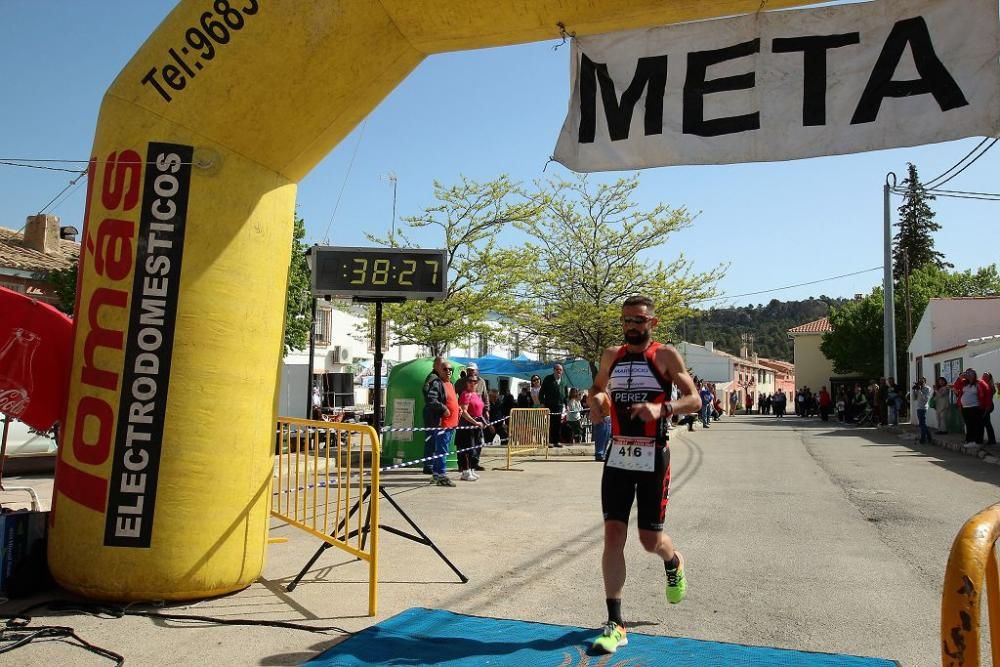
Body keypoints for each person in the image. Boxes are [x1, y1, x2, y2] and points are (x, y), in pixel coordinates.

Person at [587, 295, 700, 655]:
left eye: (637, 320)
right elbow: (597, 391)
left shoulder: (665, 357)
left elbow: (695, 399)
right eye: (626, 321)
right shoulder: (611, 355)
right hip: (618, 454)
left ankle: (673, 560)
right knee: (612, 535)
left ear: (652, 322)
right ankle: (615, 622)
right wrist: (597, 403)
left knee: (650, 540)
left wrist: (661, 408)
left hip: (653, 456)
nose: (631, 326)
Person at [422, 357, 458, 486]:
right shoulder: (437, 382)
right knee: (441, 450)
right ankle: (441, 475)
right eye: (445, 369)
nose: (448, 371)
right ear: (439, 370)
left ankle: (437, 474)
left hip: (451, 424)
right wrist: (443, 409)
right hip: (443, 424)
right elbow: (431, 399)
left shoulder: (450, 384)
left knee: (443, 449)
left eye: (450, 369)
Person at [455, 362, 489, 470]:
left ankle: (475, 463)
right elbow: (454, 396)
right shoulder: (460, 383)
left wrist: (487, 410)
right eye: (469, 370)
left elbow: (485, 397)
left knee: (478, 442)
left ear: (477, 371)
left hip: (478, 416)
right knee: (464, 443)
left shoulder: (482, 382)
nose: (470, 372)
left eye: (472, 370)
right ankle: (463, 465)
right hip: (465, 417)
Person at [457, 377, 486, 481]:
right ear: (466, 383)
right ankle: (465, 471)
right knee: (466, 449)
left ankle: (472, 469)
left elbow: (479, 411)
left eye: (475, 381)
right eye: (470, 381)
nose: (472, 383)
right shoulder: (465, 394)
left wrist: (483, 422)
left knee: (475, 449)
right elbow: (464, 412)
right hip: (467, 425)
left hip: (476, 426)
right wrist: (475, 422)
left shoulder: (476, 394)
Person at [954, 368, 991, 446]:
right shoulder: (964, 383)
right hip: (965, 407)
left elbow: (987, 394)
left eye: (971, 373)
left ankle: (977, 441)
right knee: (968, 424)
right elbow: (956, 387)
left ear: (975, 375)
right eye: (967, 373)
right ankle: (969, 440)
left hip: (976, 407)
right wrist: (960, 378)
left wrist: (987, 406)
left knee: (976, 424)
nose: (969, 375)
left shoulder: (980, 383)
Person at [540, 364, 569, 447]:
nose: (559, 371)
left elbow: (565, 394)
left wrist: (566, 405)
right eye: (557, 369)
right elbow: (542, 392)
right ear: (554, 370)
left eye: (560, 370)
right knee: (550, 423)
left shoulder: (564, 380)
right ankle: (549, 441)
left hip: (559, 405)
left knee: (558, 424)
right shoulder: (548, 379)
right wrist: (542, 403)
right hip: (549, 405)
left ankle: (556, 441)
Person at [911, 377, 932, 444]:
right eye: (919, 381)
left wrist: (920, 390)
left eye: (922, 382)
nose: (920, 383)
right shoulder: (918, 388)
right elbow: (914, 398)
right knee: (922, 424)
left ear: (925, 382)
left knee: (922, 424)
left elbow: (925, 399)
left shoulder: (927, 388)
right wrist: (914, 391)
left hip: (923, 408)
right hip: (918, 407)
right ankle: (929, 437)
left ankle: (923, 439)